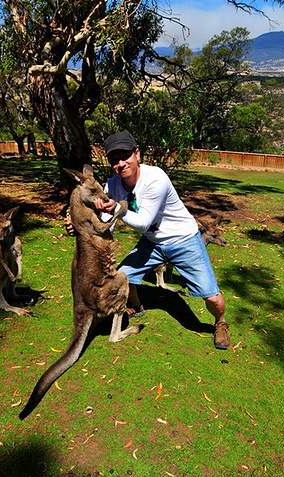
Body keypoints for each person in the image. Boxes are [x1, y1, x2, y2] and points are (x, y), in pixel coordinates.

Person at [66, 131, 230, 350]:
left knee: (211, 298)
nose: (120, 163)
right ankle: (135, 305)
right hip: (152, 243)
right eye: (115, 159)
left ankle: (220, 323)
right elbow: (110, 223)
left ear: (137, 153)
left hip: (183, 240)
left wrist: (115, 207)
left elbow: (142, 222)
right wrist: (80, 227)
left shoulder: (156, 178)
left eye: (125, 156)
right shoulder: (113, 185)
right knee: (122, 276)